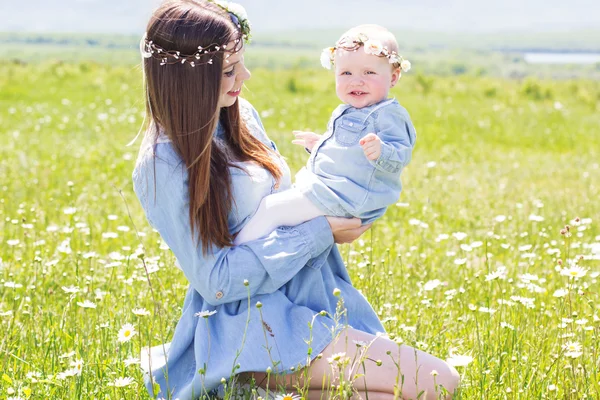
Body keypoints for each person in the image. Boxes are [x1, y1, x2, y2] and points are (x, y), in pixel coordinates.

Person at [132, 0, 460, 399]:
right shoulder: (161, 165)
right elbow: (215, 282)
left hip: (308, 298)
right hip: (253, 325)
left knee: (383, 393)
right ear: (190, 79)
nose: (245, 76)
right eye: (229, 70)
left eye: (242, 63)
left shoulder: (240, 114)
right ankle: (241, 377)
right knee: (438, 381)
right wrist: (319, 232)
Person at [233, 24, 415, 245]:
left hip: (350, 196)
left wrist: (381, 151)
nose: (356, 81)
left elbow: (401, 154)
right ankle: (259, 255)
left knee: (271, 209)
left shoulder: (388, 115)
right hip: (333, 188)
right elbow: (348, 152)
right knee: (273, 203)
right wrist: (320, 143)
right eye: (346, 73)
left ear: (394, 78)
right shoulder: (349, 109)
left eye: (369, 72)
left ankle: (232, 255)